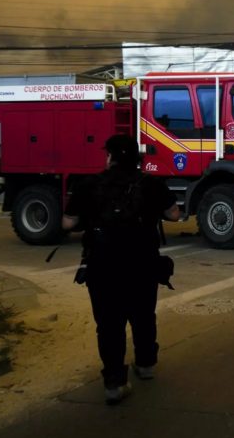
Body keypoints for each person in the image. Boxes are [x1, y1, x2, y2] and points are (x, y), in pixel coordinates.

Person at [62, 134, 180, 405]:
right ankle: (146, 365)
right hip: (143, 262)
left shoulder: (88, 185)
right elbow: (174, 214)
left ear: (110, 157)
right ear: (137, 158)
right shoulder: (151, 184)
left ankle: (115, 382)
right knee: (143, 315)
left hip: (102, 265)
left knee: (109, 323)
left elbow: (68, 224)